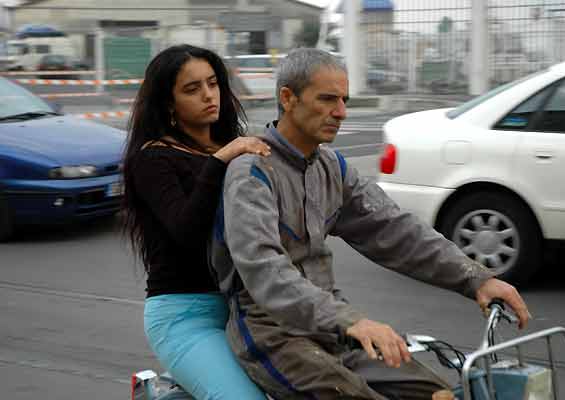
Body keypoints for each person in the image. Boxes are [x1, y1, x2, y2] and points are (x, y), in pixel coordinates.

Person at [210, 48, 531, 400]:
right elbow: (266, 273)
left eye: (345, 100)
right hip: (274, 334)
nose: (341, 112)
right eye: (328, 99)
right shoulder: (252, 173)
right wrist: (351, 321)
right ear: (288, 98)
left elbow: (394, 229)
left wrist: (476, 278)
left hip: (333, 330)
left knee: (438, 394)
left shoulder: (332, 167)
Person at [121, 44, 270, 400]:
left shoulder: (233, 147)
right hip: (184, 316)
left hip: (245, 309)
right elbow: (186, 231)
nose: (208, 95)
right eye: (192, 89)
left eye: (213, 83)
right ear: (169, 103)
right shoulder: (153, 157)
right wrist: (220, 161)